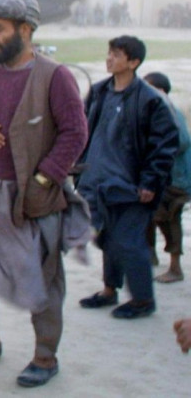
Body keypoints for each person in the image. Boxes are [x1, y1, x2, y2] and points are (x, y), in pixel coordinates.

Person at [0, 0, 88, 388]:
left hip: (32, 197)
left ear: (25, 31)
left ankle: (45, 357)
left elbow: (75, 133)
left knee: (41, 280)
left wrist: (46, 178)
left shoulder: (53, 75)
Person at [77, 36, 178, 319]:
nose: (109, 58)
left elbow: (165, 144)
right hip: (94, 183)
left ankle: (143, 300)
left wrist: (150, 181)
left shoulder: (150, 100)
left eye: (117, 54)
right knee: (105, 237)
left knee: (128, 242)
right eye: (109, 52)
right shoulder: (98, 92)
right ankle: (110, 290)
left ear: (133, 62)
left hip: (130, 187)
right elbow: (82, 129)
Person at [142, 72, 190, 283]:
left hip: (176, 180)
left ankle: (175, 268)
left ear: (160, 91)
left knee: (170, 220)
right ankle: (150, 255)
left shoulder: (170, 112)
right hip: (163, 177)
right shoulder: (157, 111)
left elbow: (181, 141)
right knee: (151, 214)